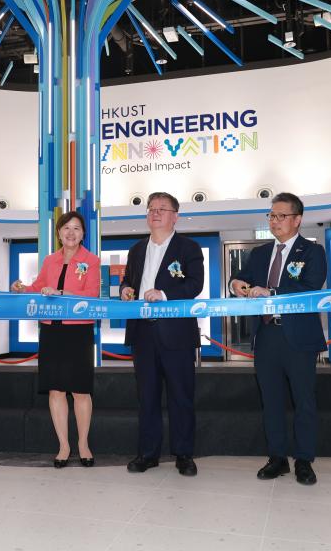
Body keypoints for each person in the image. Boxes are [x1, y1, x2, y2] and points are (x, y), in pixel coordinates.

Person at [229, 193, 327, 485]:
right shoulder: (259, 253)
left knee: (303, 401)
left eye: (281, 216)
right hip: (267, 335)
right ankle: (277, 457)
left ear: (297, 220)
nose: (275, 221)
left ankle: (305, 460)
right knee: (270, 400)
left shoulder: (312, 252)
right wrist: (237, 284)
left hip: (298, 337)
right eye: (271, 216)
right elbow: (241, 278)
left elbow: (311, 288)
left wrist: (271, 293)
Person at [119, 192, 204, 477]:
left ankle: (184, 454)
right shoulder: (136, 249)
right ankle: (148, 454)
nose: (155, 213)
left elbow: (195, 284)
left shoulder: (189, 248)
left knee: (181, 396)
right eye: (151, 209)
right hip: (142, 333)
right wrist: (125, 290)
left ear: (175, 216)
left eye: (162, 209)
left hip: (176, 334)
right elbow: (128, 280)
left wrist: (165, 294)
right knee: (147, 397)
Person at [12, 211, 101, 468]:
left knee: (80, 390)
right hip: (51, 330)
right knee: (56, 389)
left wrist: (61, 292)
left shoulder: (91, 261)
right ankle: (63, 445)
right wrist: (21, 288)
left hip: (78, 331)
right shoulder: (50, 260)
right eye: (66, 228)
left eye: (76, 228)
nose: (71, 233)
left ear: (83, 233)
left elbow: (92, 294)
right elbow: (39, 286)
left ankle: (83, 444)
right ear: (59, 232)